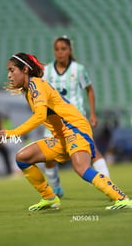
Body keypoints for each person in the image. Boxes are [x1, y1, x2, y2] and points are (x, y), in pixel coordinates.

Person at [0, 52, 132, 210]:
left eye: (12, 70)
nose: (9, 75)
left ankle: (122, 199)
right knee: (23, 158)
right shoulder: (28, 91)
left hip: (75, 129)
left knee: (81, 167)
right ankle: (49, 198)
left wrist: (13, 133)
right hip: (61, 136)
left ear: (25, 69)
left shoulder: (36, 85)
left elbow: (40, 116)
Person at [42, 36, 110, 198]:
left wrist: (92, 113)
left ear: (70, 51)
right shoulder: (47, 71)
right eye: (57, 49)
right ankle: (56, 187)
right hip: (54, 120)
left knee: (93, 153)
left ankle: (108, 186)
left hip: (75, 119)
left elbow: (90, 90)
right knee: (48, 158)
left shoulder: (78, 69)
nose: (60, 52)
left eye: (63, 49)